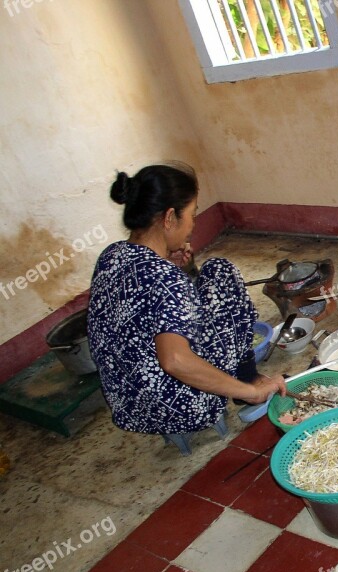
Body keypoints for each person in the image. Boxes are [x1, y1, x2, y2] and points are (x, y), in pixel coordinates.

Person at [87, 162, 286, 435]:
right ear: (169, 218)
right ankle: (247, 382)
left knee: (212, 275)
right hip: (181, 407)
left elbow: (141, 310)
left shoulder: (113, 255)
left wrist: (167, 262)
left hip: (129, 403)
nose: (193, 224)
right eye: (192, 214)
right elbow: (175, 361)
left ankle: (245, 382)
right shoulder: (166, 279)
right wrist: (250, 392)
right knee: (221, 273)